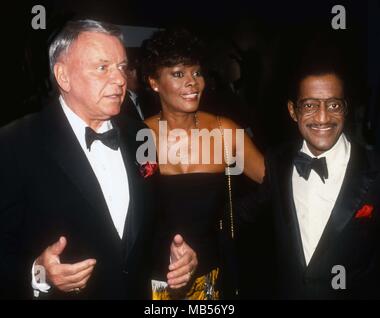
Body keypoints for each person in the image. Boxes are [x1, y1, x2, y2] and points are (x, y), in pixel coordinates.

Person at [0, 19, 197, 300]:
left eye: (121, 67)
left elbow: (153, 219)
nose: (120, 79)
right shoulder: (14, 143)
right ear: (63, 76)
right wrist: (39, 272)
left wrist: (173, 252)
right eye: (103, 68)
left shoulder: (139, 134)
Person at [239, 59, 380, 299]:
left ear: (346, 108)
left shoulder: (375, 169)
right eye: (310, 106)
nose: (323, 117)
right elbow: (244, 213)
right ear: (293, 111)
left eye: (334, 105)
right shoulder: (278, 160)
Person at [140, 28, 265, 300]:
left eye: (196, 73)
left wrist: (243, 214)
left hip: (209, 277)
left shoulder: (224, 131)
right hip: (153, 279)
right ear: (154, 82)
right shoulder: (138, 137)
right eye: (178, 74)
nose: (192, 83)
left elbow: (276, 183)